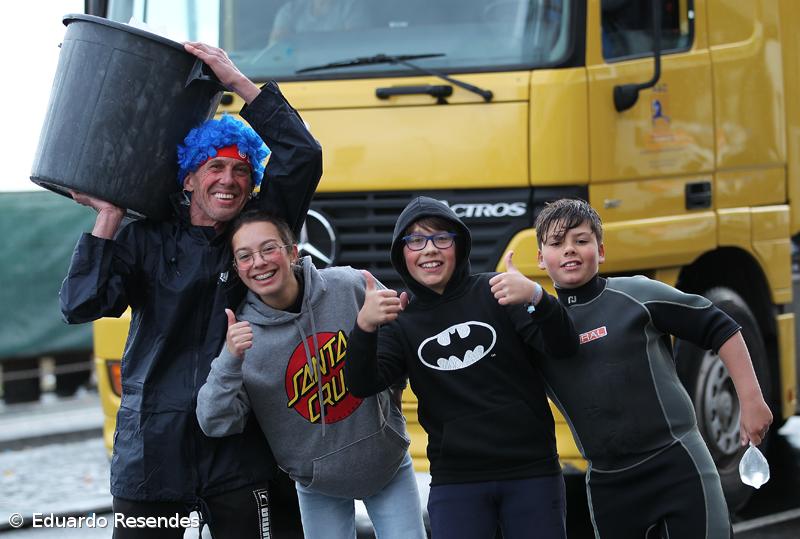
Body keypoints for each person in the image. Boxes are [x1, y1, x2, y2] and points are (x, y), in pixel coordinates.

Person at [59, 42, 322, 538]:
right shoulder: (145, 237)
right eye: (215, 168)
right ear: (188, 179)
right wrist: (108, 218)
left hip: (240, 445)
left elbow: (303, 154)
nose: (228, 180)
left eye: (241, 170)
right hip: (153, 449)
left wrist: (238, 82)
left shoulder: (257, 233)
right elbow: (81, 304)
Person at [531, 198, 774, 538]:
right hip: (608, 484)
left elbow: (720, 327)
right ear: (541, 259)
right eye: (557, 243)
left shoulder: (636, 295)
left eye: (581, 241)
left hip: (678, 465)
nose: (569, 250)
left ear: (600, 251)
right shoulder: (535, 331)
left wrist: (751, 401)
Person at [344, 196, 579, 539]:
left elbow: (564, 346)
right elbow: (362, 384)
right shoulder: (400, 321)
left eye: (441, 238)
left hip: (531, 470)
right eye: (415, 241)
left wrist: (537, 298)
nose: (429, 250)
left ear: (459, 245)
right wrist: (364, 328)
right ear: (402, 253)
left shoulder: (496, 291)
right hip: (457, 480)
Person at [195, 210, 426, 539]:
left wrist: (392, 413)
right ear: (237, 268)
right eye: (244, 256)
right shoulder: (242, 336)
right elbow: (214, 421)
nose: (258, 262)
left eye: (268, 248)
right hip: (318, 485)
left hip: (386, 463)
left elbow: (402, 344)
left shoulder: (349, 285)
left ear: (292, 251)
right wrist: (229, 360)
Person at [269, 0, 370, 45]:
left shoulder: (351, 6)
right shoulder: (290, 10)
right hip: (295, 71)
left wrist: (298, 40)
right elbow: (276, 44)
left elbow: (354, 43)